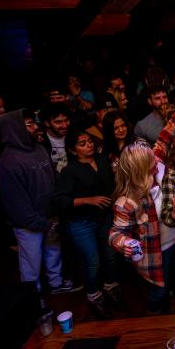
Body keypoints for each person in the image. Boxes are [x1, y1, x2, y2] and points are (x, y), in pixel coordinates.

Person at [0, 109, 80, 294]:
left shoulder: (38, 148)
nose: (35, 127)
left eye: (34, 123)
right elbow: (16, 202)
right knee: (31, 263)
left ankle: (56, 284)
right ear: (15, 130)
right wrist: (38, 222)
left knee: (53, 253)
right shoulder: (8, 162)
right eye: (29, 125)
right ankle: (33, 298)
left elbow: (51, 176)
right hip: (30, 224)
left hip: (50, 216)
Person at [52, 129, 121, 318]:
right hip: (81, 222)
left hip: (105, 218)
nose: (88, 145)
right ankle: (94, 294)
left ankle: (110, 286)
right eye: (82, 143)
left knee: (110, 255)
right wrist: (87, 200)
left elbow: (110, 186)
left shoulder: (101, 161)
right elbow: (59, 199)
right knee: (93, 261)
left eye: (89, 141)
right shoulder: (70, 171)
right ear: (73, 151)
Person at [109, 142, 169, 313]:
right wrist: (125, 243)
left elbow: (165, 137)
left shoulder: (153, 167)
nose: (157, 169)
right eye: (152, 169)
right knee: (159, 291)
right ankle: (152, 315)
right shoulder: (126, 203)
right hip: (152, 257)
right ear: (140, 174)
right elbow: (115, 234)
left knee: (168, 283)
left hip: (170, 247)